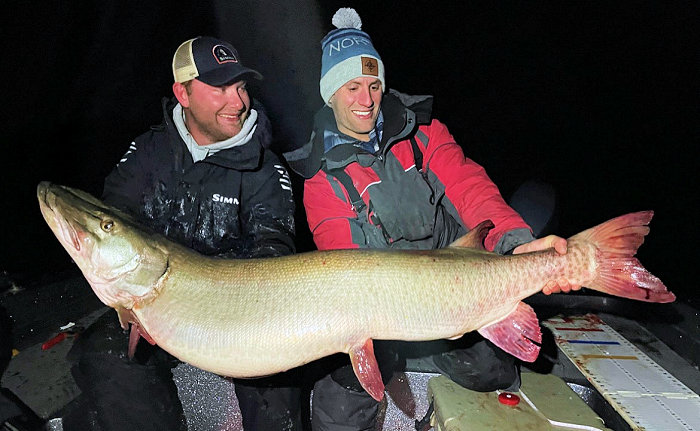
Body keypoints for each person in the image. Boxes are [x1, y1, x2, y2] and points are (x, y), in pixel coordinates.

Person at [284, 8, 579, 430]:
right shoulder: (319, 177)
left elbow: (470, 189)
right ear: (330, 94)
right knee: (339, 405)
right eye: (352, 87)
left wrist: (515, 244)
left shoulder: (423, 134)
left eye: (373, 85)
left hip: (457, 285)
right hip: (381, 310)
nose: (366, 100)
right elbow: (346, 263)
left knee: (493, 373)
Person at [66, 36, 301, 431]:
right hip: (154, 307)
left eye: (240, 86)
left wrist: (216, 304)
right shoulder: (148, 152)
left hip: (235, 317)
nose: (238, 102)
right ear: (183, 92)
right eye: (220, 88)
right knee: (101, 355)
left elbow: (274, 248)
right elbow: (117, 217)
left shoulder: (264, 168)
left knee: (278, 381)